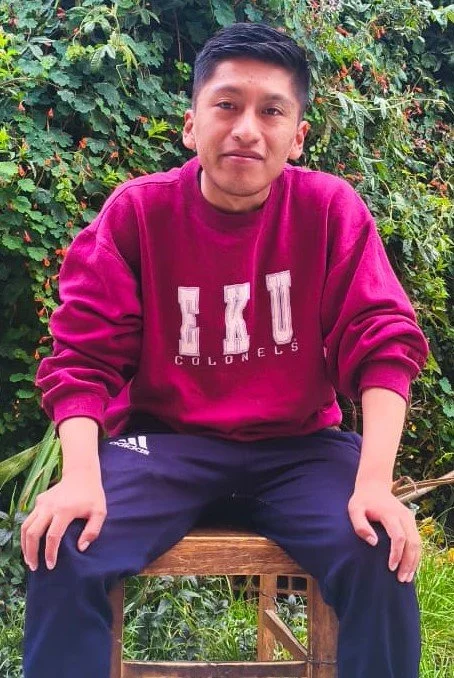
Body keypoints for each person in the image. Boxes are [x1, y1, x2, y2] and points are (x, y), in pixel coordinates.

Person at [22, 22, 429, 678]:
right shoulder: (139, 213)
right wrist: (79, 477)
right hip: (166, 445)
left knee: (379, 548)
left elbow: (381, 338)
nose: (247, 129)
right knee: (64, 542)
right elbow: (82, 356)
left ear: (298, 137)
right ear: (191, 125)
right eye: (227, 105)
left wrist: (376, 484)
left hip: (300, 448)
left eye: (271, 111)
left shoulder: (329, 210)